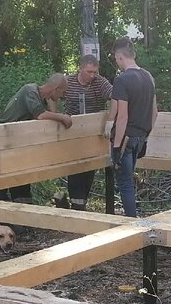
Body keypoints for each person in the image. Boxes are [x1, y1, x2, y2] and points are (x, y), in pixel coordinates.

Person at [0, 73, 71, 204]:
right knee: (1, 182)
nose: (63, 96)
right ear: (56, 89)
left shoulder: (42, 100)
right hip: (4, 140)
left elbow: (50, 115)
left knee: (21, 180)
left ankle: (22, 210)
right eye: (62, 92)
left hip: (19, 143)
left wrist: (53, 102)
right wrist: (63, 118)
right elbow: (40, 115)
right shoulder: (30, 90)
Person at [108, 37, 158, 217]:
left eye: (116, 59)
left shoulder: (122, 80)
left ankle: (131, 223)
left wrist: (116, 147)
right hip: (140, 138)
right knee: (128, 180)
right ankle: (132, 219)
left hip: (126, 139)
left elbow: (122, 117)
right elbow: (155, 113)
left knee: (125, 183)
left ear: (120, 57)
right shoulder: (148, 77)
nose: (117, 62)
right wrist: (146, 138)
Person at [61, 55, 114, 210]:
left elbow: (116, 97)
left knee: (89, 168)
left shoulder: (100, 82)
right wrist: (57, 116)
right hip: (72, 133)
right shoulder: (68, 82)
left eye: (95, 72)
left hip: (92, 133)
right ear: (80, 68)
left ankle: (81, 204)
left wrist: (110, 119)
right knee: (74, 168)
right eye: (89, 72)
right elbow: (52, 94)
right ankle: (77, 205)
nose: (92, 75)